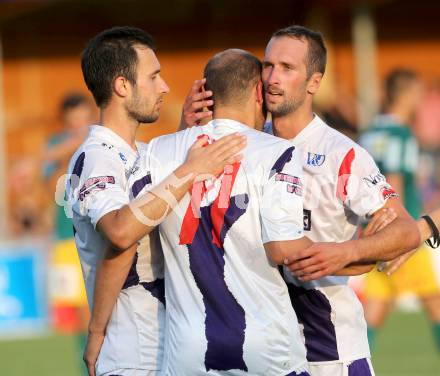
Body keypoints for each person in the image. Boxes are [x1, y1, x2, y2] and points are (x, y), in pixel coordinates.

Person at [180, 25, 420, 376]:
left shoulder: (342, 154)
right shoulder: (241, 144)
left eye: (287, 68)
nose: (273, 78)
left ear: (314, 82)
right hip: (258, 352)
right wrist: (185, 130)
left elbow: (406, 231)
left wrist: (347, 251)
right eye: (268, 65)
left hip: (328, 350)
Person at [66, 26, 246, 376]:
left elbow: (152, 201)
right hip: (132, 356)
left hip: (175, 349)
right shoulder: (96, 157)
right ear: (122, 86)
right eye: (154, 77)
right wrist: (190, 170)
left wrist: (182, 138)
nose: (164, 87)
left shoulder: (141, 153)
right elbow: (121, 231)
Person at [147, 48, 312, 375]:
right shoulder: (278, 152)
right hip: (264, 342)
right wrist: (353, 250)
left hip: (187, 350)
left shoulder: (158, 150)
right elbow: (284, 249)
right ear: (257, 92)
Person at [359, 69, 440, 352]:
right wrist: (402, 230)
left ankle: (356, 365)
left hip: (373, 229)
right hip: (402, 231)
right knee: (436, 303)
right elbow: (393, 182)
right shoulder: (401, 133)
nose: (421, 100)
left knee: (377, 306)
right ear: (405, 95)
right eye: (418, 93)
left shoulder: (369, 132)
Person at [46, 93, 95, 376]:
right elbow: (47, 187)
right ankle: (86, 366)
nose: (78, 124)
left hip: (95, 235)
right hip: (66, 238)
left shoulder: (97, 141)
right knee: (79, 314)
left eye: (82, 117)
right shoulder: (55, 145)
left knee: (98, 309)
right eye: (72, 120)